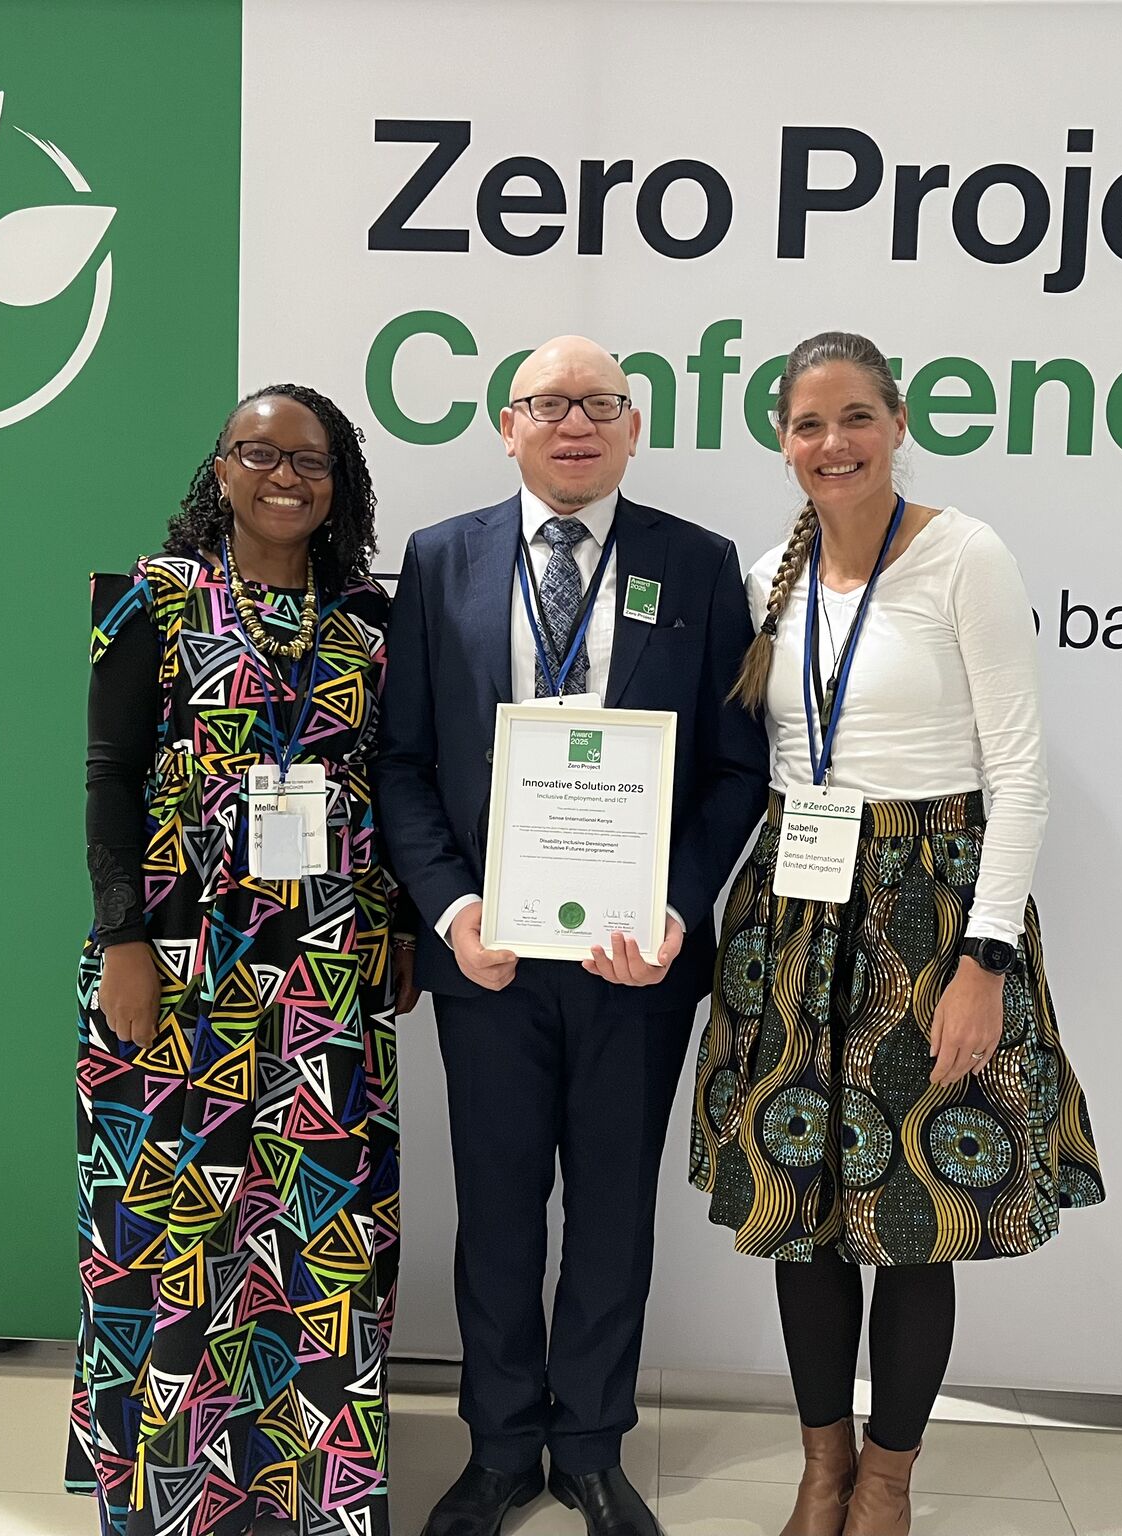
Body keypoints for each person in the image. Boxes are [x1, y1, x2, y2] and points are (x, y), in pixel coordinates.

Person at [688, 332, 1106, 1536]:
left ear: (898, 422)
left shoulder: (965, 555)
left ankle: (888, 1478)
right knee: (802, 1208)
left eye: (856, 418)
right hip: (791, 906)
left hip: (931, 906)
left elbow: (1018, 776)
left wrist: (983, 962)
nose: (834, 444)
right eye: (810, 425)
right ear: (782, 440)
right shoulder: (772, 569)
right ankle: (820, 1466)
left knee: (915, 1211)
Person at [376, 336, 767, 1536]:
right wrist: (452, 909)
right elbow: (398, 762)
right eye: (549, 404)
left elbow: (732, 766)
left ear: (634, 426)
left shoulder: (694, 565)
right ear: (507, 425)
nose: (575, 422)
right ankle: (499, 1447)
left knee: (609, 1212)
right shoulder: (440, 559)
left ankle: (590, 1444)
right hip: (489, 955)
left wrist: (673, 904)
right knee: (494, 1209)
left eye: (599, 402)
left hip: (631, 960)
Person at [69, 384, 418, 1536]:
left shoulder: (376, 616)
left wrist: (404, 925)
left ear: (341, 481)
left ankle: (305, 1484)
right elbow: (108, 778)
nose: (285, 475)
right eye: (258, 453)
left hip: (325, 962)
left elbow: (404, 780)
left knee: (314, 1224)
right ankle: (167, 1481)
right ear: (217, 470)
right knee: (175, 1216)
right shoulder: (148, 603)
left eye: (310, 458)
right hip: (177, 953)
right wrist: (124, 938)